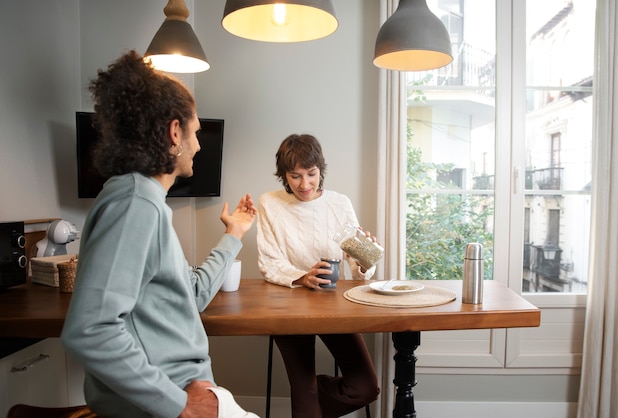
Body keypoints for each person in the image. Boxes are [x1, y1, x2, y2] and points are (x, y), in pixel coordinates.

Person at [61, 50, 259, 418]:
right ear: (174, 132)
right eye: (195, 131)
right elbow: (90, 329)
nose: (198, 145)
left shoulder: (142, 200)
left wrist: (234, 234)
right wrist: (179, 405)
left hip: (186, 392)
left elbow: (193, 294)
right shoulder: (136, 204)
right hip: (173, 397)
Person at [256, 134, 380, 417]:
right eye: (295, 176)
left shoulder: (339, 203)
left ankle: (307, 400)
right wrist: (302, 277)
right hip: (287, 306)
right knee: (306, 397)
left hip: (332, 303)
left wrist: (365, 257)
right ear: (283, 176)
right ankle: (306, 398)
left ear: (320, 171)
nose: (304, 185)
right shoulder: (270, 203)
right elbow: (268, 262)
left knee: (365, 388)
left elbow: (361, 272)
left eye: (311, 174)